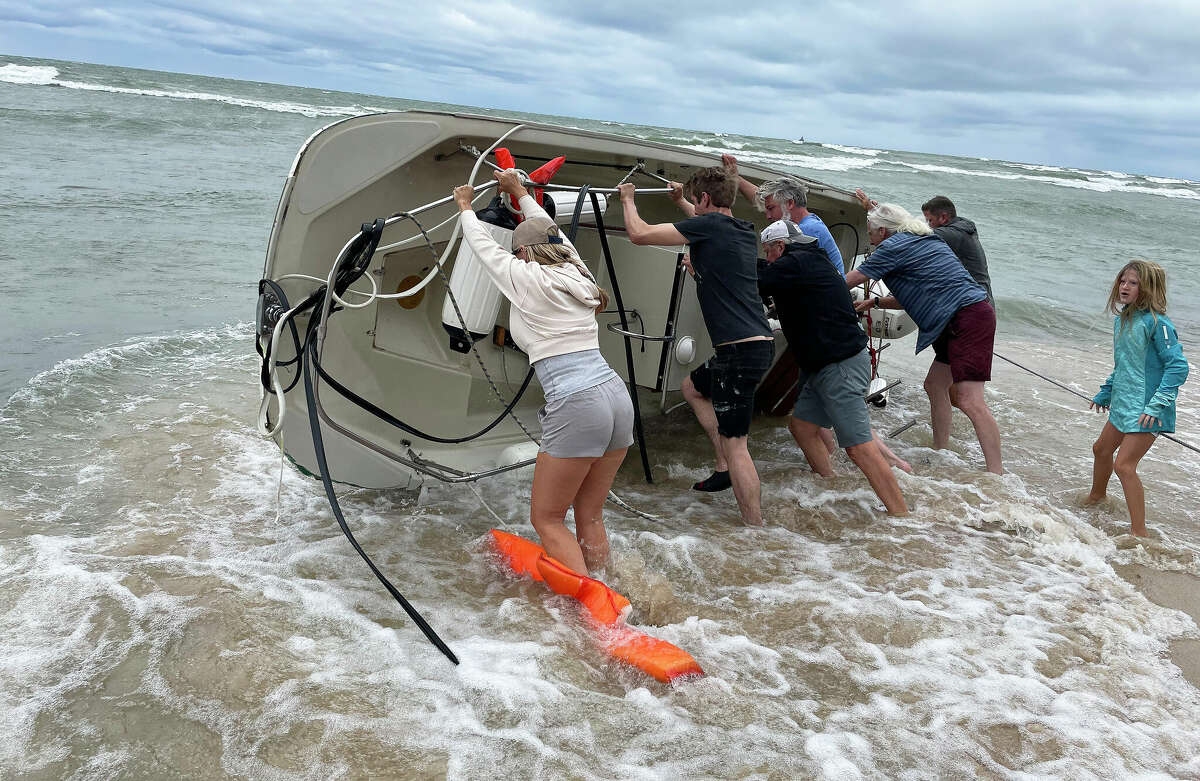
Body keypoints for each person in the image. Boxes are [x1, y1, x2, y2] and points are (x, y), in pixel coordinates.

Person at [454, 170, 633, 575]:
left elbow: (483, 247)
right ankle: (611, 597)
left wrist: (466, 207)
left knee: (547, 519)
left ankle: (591, 616)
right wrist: (520, 193)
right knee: (589, 516)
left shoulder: (524, 277)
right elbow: (556, 235)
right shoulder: (577, 272)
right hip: (614, 396)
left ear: (522, 254)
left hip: (578, 403)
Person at [618, 168, 774, 526]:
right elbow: (705, 224)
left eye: (695, 200)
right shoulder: (740, 230)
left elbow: (639, 234)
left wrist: (628, 199)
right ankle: (722, 466)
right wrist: (681, 201)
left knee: (740, 446)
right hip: (751, 346)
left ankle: (755, 528)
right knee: (693, 387)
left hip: (740, 351)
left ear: (705, 199)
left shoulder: (711, 228)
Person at [757, 220, 908, 514]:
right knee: (802, 427)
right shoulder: (811, 259)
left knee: (858, 447)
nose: (768, 259)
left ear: (781, 246)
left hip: (840, 364)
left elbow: (761, 279)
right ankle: (831, 485)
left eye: (768, 252)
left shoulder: (797, 261)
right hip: (822, 364)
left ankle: (902, 517)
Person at [845, 203, 1003, 474]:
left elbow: (851, 280)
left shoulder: (892, 247)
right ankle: (941, 451)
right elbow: (915, 295)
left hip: (966, 318)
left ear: (883, 231)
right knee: (934, 385)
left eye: (870, 230)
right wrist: (875, 301)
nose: (868, 234)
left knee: (969, 400)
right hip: (964, 315)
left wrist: (809, 290)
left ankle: (996, 475)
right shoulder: (921, 239)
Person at [1084, 260, 1188, 537]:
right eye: (1122, 281)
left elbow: (1178, 367)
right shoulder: (1123, 321)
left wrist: (1157, 405)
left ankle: (1139, 533)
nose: (1125, 287)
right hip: (1124, 402)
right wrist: (1107, 390)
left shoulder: (1158, 324)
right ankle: (1097, 499)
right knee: (1101, 450)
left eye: (1133, 283)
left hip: (1149, 409)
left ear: (1149, 289)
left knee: (1124, 465)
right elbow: (1124, 364)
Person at [854, 189, 993, 304]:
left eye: (930, 220)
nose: (927, 224)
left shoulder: (953, 234)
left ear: (943, 218)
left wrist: (876, 213)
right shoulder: (961, 229)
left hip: (974, 301)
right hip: (975, 300)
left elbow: (909, 233)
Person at [724, 154, 844, 274]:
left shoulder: (806, 230)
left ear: (790, 203)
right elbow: (760, 200)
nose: (768, 216)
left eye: (771, 209)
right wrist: (736, 178)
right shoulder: (805, 220)